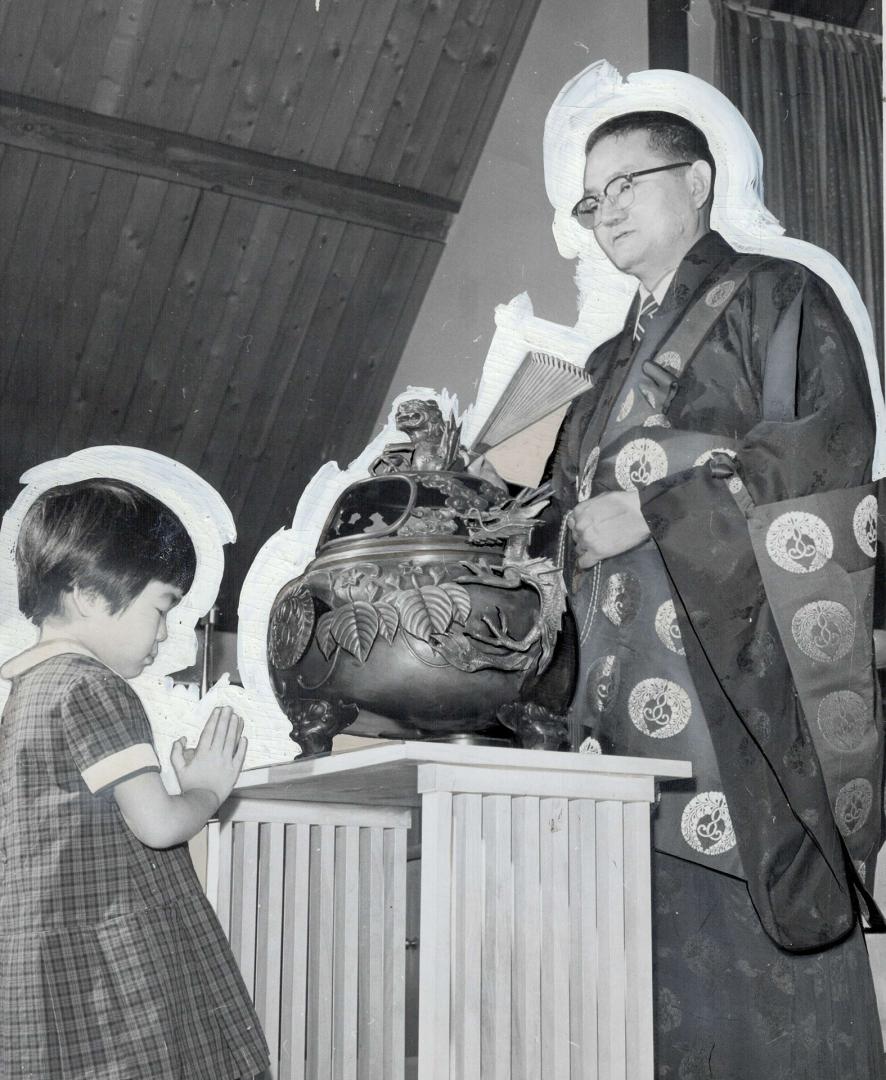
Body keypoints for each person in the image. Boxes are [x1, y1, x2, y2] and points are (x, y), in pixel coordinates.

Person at [550, 111, 885, 1077]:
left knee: (752, 964)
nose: (604, 210)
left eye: (627, 184)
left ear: (696, 180)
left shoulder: (781, 297)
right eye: (591, 197)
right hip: (617, 695)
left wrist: (658, 509)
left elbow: (828, 458)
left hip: (738, 690)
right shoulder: (607, 366)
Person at [0, 479, 270, 1079]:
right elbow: (158, 825)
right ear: (92, 594)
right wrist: (205, 788)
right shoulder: (92, 686)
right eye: (163, 607)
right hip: (110, 965)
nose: (167, 633)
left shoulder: (27, 695)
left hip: (45, 959)